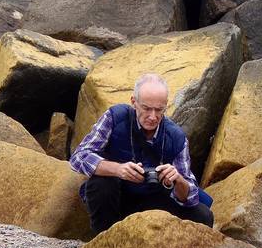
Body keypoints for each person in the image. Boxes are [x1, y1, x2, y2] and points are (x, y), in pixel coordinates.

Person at [70, 73, 213, 234]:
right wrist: (119, 170)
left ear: (166, 106)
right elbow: (78, 157)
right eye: (146, 108)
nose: (152, 116)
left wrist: (177, 179)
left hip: (154, 202)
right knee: (101, 183)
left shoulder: (176, 137)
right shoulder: (115, 118)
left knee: (203, 215)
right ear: (134, 102)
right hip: (116, 200)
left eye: (159, 110)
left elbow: (191, 197)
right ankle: (104, 240)